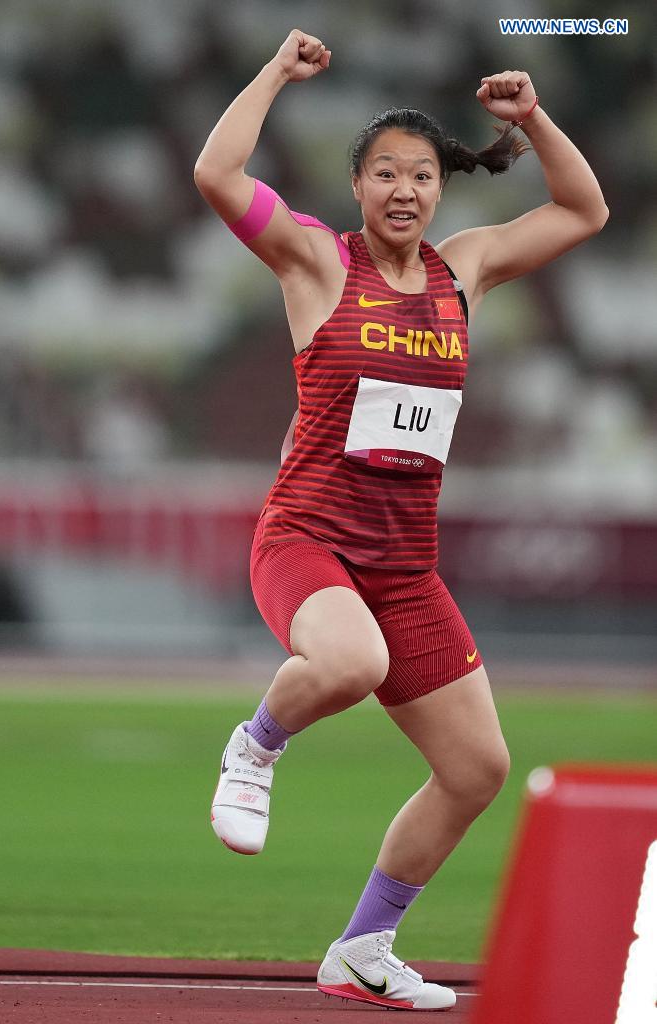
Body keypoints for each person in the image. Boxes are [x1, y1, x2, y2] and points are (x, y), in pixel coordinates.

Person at [194, 29, 608, 1013]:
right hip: (305, 542)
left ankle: (363, 945)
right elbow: (216, 170)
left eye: (421, 175)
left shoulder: (466, 272)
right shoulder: (315, 265)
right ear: (358, 187)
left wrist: (534, 118)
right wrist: (276, 74)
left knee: (478, 768)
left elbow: (586, 209)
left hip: (403, 567)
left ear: (440, 190)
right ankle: (253, 748)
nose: (405, 190)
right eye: (385, 173)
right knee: (349, 664)